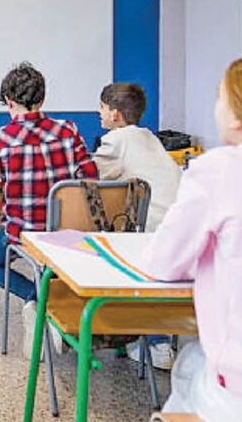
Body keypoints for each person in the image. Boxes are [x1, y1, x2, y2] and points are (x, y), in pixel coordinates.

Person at [0, 61, 98, 358]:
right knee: (54, 264)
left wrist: (1, 167)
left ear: (9, 102)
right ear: (42, 99)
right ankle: (53, 303)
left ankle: (36, 298)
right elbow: (90, 174)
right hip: (65, 233)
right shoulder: (68, 130)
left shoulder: (1, 138)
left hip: (22, 234)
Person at [143, 58, 242, 421]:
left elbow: (163, 262)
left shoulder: (219, 169)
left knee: (189, 367)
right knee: (191, 360)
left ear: (236, 116)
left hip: (233, 386)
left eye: (219, 97)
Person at [94, 82, 182, 370]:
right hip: (174, 227)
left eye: (102, 107)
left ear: (115, 114)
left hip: (149, 229)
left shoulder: (115, 141)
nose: (99, 113)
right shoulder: (149, 137)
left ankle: (152, 341)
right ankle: (153, 339)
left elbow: (94, 179)